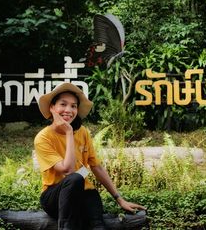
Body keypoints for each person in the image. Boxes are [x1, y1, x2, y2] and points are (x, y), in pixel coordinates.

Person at [34, 83, 145, 230]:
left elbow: (95, 166)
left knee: (96, 216)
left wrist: (119, 199)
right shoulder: (43, 138)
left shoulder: (83, 132)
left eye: (73, 106)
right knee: (75, 178)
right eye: (63, 104)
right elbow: (67, 170)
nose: (69, 110)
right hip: (54, 196)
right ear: (52, 108)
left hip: (82, 193)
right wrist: (68, 132)